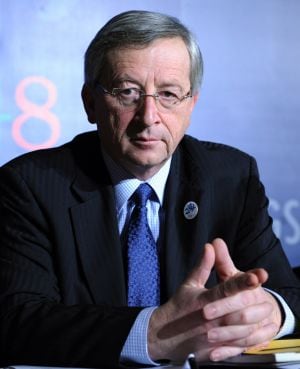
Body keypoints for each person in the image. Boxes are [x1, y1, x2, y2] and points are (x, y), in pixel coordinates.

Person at [0, 9, 299, 368]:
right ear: (90, 103)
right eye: (128, 92)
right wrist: (156, 333)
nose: (149, 116)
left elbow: (289, 294)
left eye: (169, 94)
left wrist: (271, 312)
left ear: (192, 104)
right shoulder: (31, 184)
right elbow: (19, 320)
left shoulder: (232, 177)